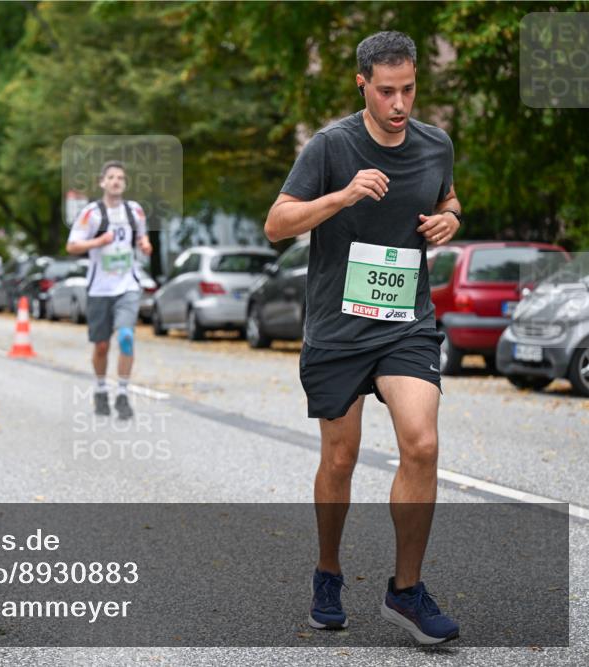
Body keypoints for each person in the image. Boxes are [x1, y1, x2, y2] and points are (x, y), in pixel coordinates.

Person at [263, 31, 462, 644]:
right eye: (386, 92)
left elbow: (450, 200)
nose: (399, 104)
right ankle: (328, 571)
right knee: (340, 459)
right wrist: (343, 194)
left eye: (408, 90)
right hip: (337, 326)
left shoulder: (435, 145)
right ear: (362, 86)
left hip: (405, 323)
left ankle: (405, 590)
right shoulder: (331, 146)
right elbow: (276, 224)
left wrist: (450, 220)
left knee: (422, 445)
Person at [65, 161, 152, 420]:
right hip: (99, 289)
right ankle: (101, 389)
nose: (116, 181)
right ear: (102, 182)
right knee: (101, 345)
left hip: (128, 285)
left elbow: (142, 237)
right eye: (112, 177)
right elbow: (72, 246)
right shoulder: (91, 214)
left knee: (126, 336)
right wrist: (99, 241)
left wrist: (146, 245)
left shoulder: (134, 211)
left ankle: (123, 394)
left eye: (121, 178)